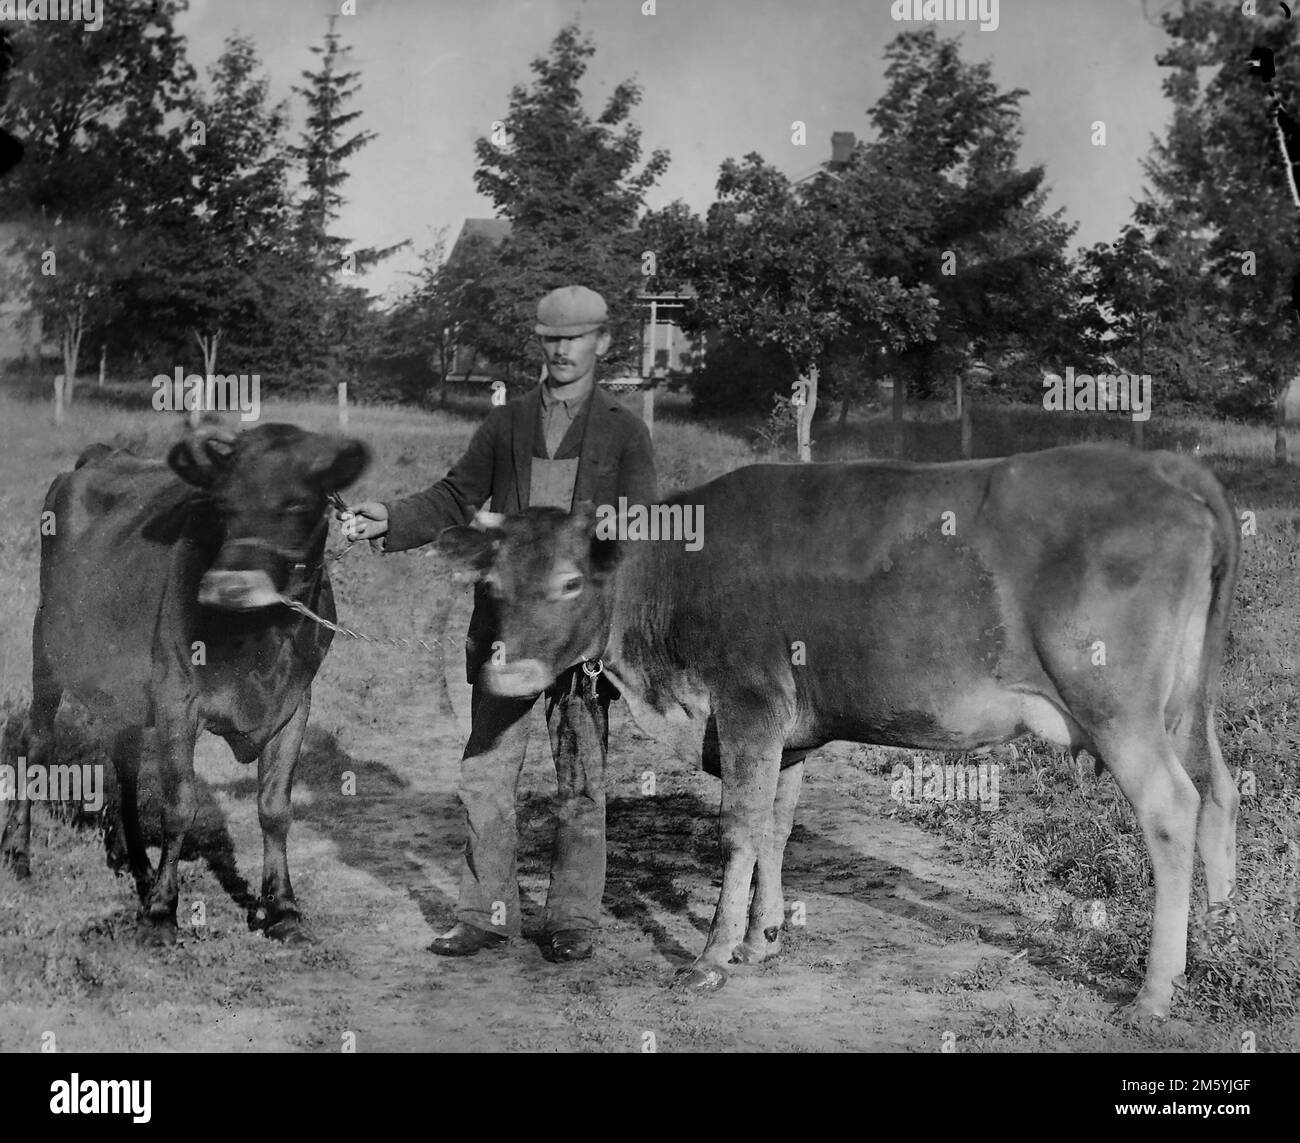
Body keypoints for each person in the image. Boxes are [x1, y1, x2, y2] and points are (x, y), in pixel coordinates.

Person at [342, 285, 656, 962]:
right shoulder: (506, 424)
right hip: (506, 628)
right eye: (550, 338)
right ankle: (487, 912)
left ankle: (572, 917)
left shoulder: (625, 432)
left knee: (582, 779)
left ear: (602, 342)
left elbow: (637, 531)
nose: (562, 350)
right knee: (486, 772)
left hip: (579, 641)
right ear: (539, 344)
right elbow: (454, 497)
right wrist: (391, 518)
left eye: (576, 338)